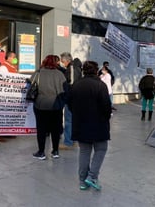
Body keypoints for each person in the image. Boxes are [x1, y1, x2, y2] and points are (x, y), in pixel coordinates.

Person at [68, 61, 112, 191]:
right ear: (96, 70)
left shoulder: (76, 85)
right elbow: (106, 106)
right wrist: (106, 117)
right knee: (101, 149)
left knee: (84, 151)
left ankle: (83, 181)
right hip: (98, 123)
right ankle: (92, 176)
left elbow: (70, 103)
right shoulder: (100, 85)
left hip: (80, 123)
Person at [32, 55, 67, 160]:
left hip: (40, 105)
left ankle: (41, 152)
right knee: (55, 129)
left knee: (41, 129)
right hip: (56, 106)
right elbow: (65, 90)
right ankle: (55, 151)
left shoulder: (38, 73)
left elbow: (30, 84)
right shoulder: (60, 74)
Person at [58, 52, 82, 150]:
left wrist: (66, 95)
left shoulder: (72, 68)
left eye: (62, 61)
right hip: (76, 99)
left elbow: (71, 83)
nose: (62, 63)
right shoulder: (76, 67)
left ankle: (68, 142)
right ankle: (73, 139)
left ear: (66, 60)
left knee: (68, 121)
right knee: (73, 120)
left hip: (71, 99)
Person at [0, 51, 18, 142]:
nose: (15, 59)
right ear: (8, 58)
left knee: (9, 114)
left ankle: (7, 132)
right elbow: (2, 80)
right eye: (13, 57)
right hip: (5, 94)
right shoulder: (3, 67)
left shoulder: (13, 67)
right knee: (2, 114)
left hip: (12, 94)